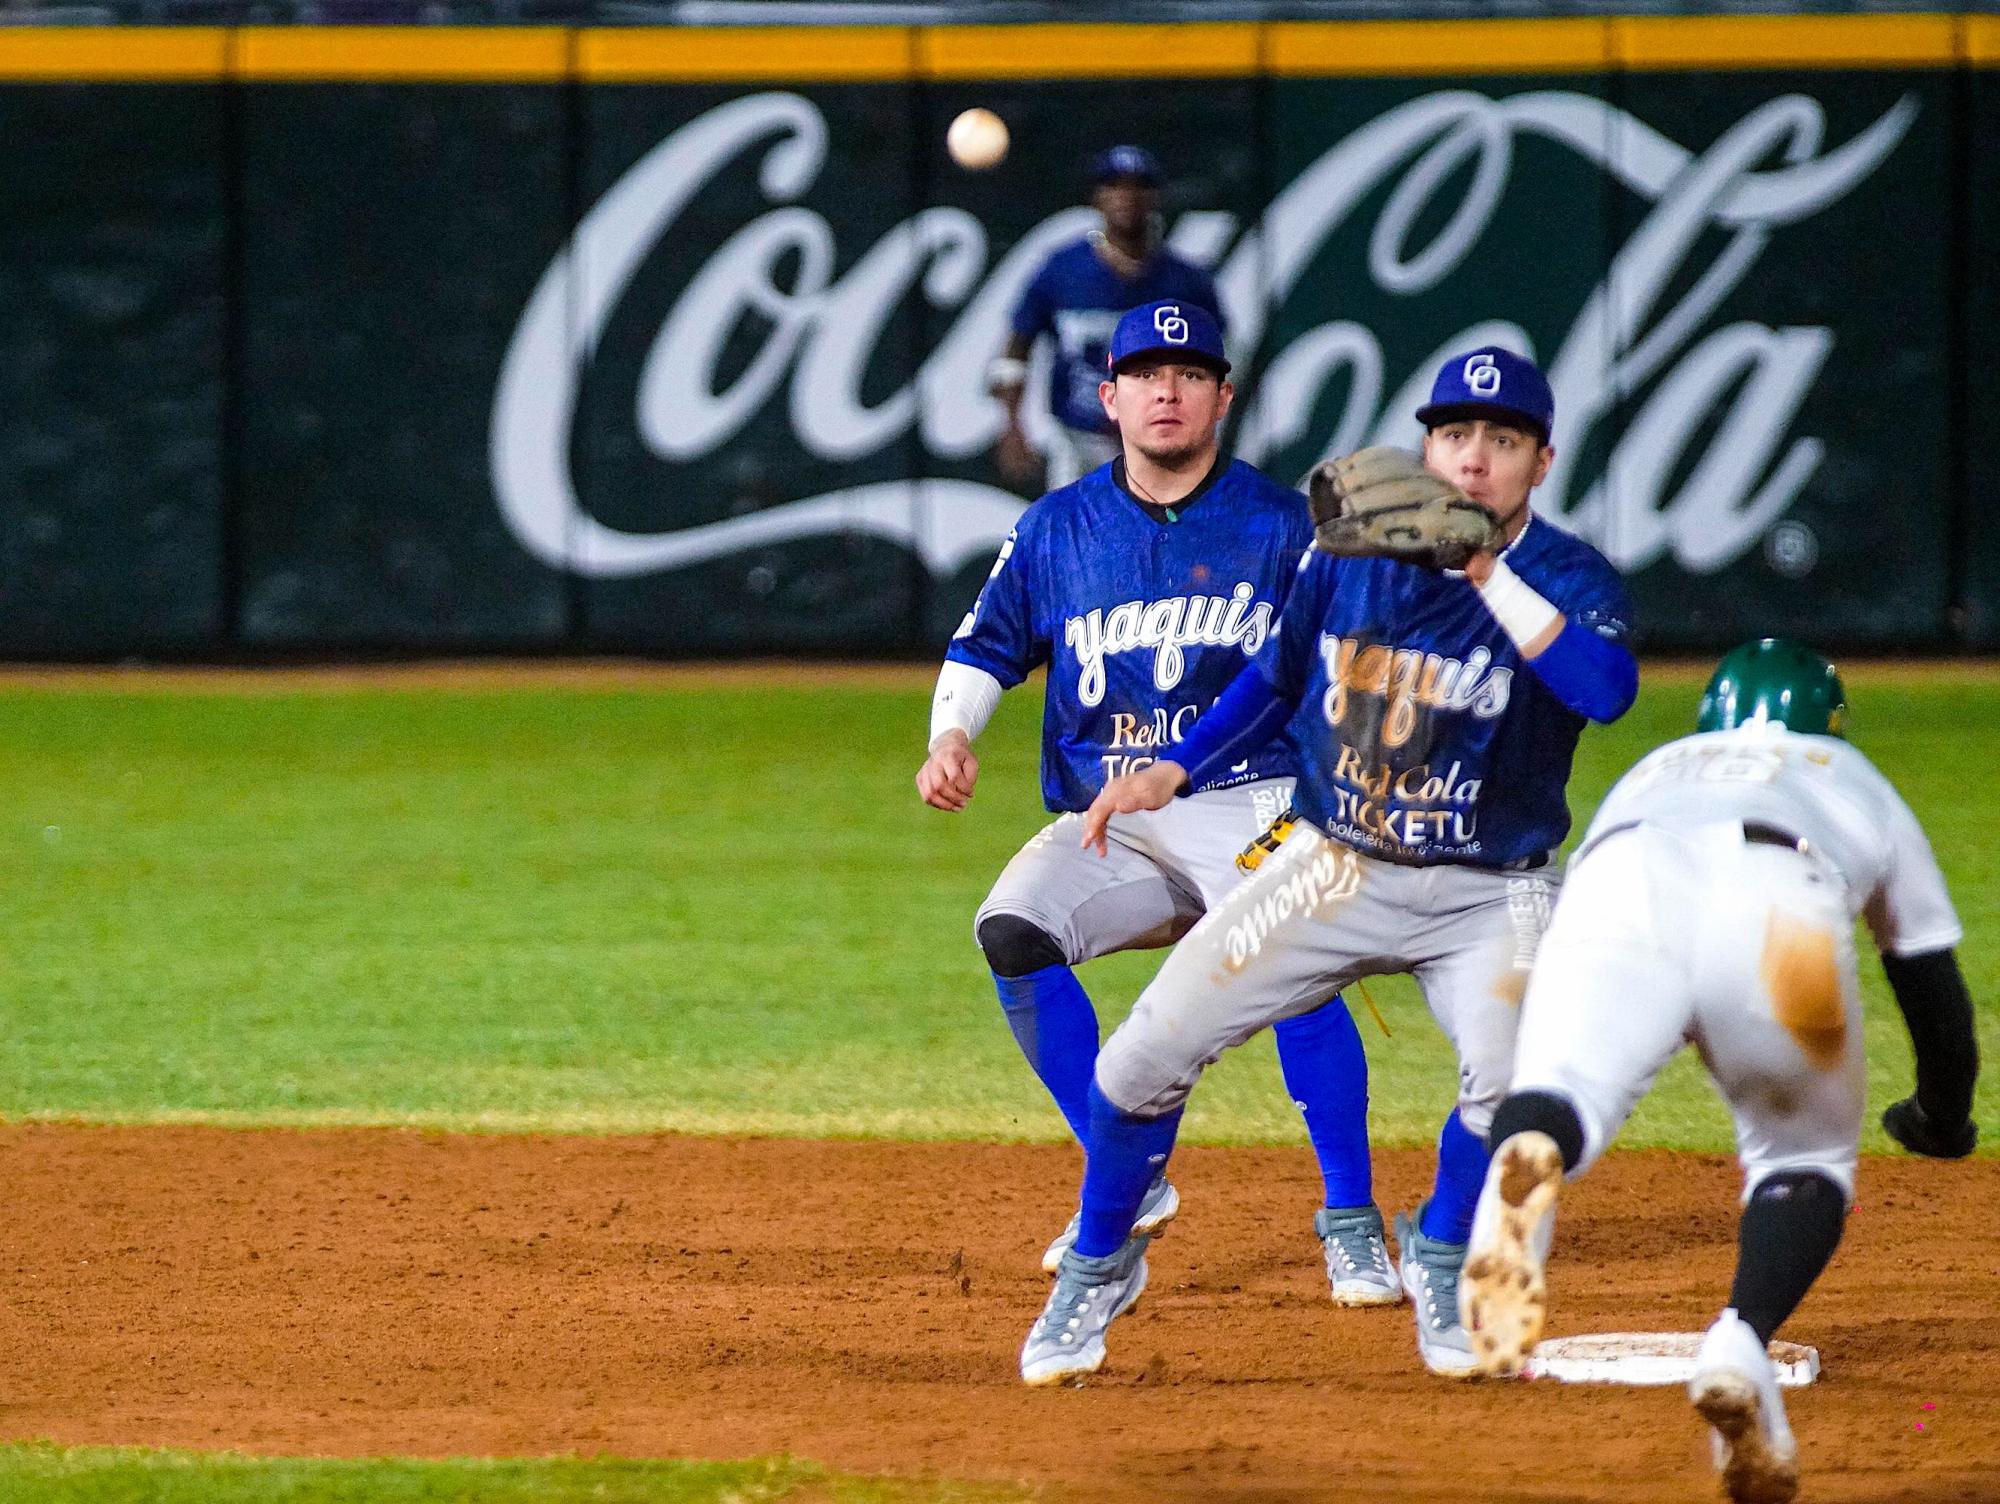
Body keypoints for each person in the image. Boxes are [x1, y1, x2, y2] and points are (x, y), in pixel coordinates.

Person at [1020, 345, 1638, 1385]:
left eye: (1501, 441)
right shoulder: (1350, 558)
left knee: (1519, 1094)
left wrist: (1486, 572)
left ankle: (1440, 1244)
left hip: (1495, 890)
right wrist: (1174, 766)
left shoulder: (1571, 576)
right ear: (1426, 452)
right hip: (1336, 866)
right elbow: (1274, 680)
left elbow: (1605, 690)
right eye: (1453, 435)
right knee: (1133, 1066)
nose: (1473, 459)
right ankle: (1099, 1263)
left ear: (1541, 461)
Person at [921, 299, 1399, 1312]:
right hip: (1111, 814)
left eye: (1188, 374)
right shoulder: (1056, 528)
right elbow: (984, 647)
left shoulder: (1285, 526)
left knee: (1295, 959)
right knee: (1011, 930)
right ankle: (1126, 1174)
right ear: (1109, 398)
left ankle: (1352, 1219)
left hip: (1253, 795)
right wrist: (951, 735)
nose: (1166, 390)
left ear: (1223, 397)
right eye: (1144, 373)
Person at [1459, 639, 1979, 1504]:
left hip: (1621, 881)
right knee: (1803, 1160)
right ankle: (1739, 1345)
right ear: (1829, 723)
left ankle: (1527, 1163)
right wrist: (1941, 1117)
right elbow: (1933, 992)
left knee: (1561, 1094)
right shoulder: (1851, 775)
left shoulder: (1659, 766)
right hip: (1777, 901)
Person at [989, 146, 1226, 493]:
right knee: (1074, 525)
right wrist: (1011, 425)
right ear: (1096, 197)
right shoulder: (1063, 270)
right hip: (1079, 437)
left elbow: (1223, 359)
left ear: (1155, 197)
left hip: (1160, 441)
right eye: (1114, 185)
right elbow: (1015, 348)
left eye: (1139, 186)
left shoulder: (1185, 281)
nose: (1126, 196)